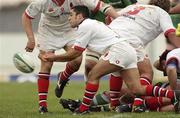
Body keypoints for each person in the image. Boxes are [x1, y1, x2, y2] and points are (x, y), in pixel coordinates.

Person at [40, 5, 180, 114]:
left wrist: (52, 57)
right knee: (136, 88)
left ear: (80, 16)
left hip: (119, 49)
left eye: (71, 15)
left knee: (93, 75)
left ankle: (83, 108)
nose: (68, 18)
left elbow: (74, 54)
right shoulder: (91, 24)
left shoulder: (85, 25)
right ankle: (173, 95)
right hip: (128, 50)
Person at [22, 0, 119, 114]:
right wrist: (31, 39)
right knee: (46, 64)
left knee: (77, 61)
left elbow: (102, 6)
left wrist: (119, 18)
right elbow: (26, 16)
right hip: (48, 32)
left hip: (70, 30)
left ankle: (63, 77)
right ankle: (42, 105)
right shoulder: (42, 2)